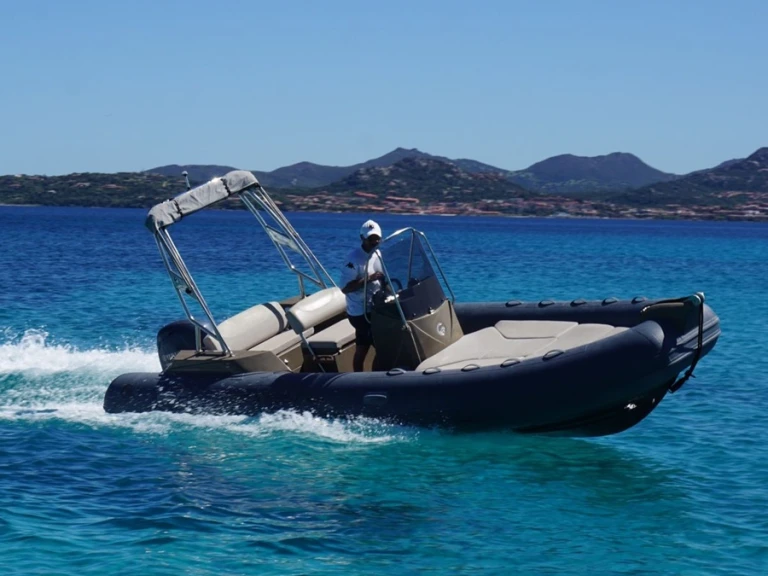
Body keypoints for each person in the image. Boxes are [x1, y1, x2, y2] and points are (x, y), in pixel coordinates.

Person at [340, 219, 385, 372]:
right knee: (376, 345)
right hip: (359, 311)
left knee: (367, 345)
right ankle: (372, 377)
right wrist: (368, 279)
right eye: (371, 239)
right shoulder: (353, 259)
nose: (375, 242)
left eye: (377, 239)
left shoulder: (378, 253)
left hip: (375, 307)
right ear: (362, 238)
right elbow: (345, 289)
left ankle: (364, 376)